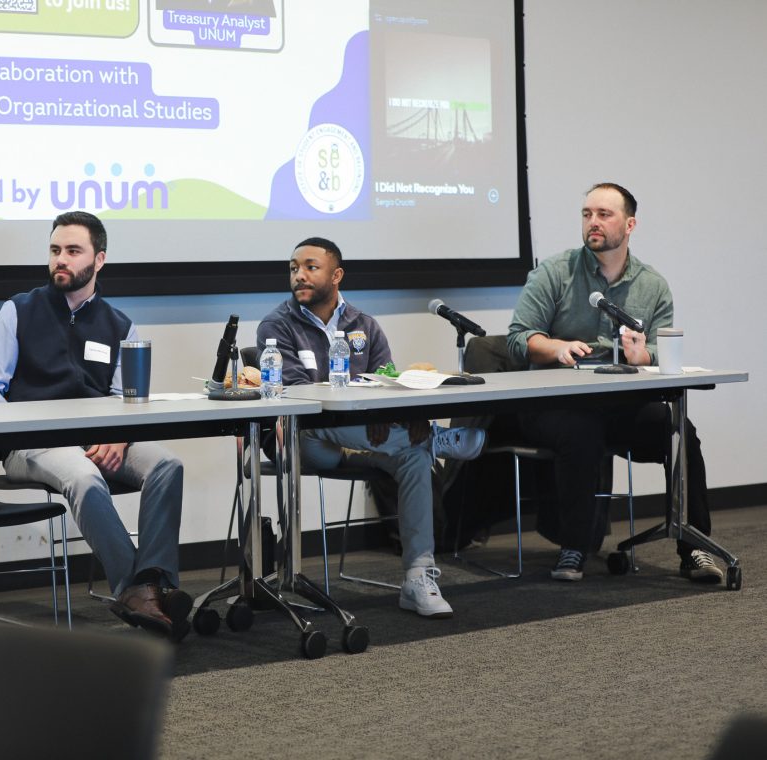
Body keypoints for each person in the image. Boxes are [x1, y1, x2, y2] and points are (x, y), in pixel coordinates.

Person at [0, 211, 190, 640]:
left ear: (99, 259)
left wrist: (118, 433)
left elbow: (126, 399)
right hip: (31, 446)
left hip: (98, 439)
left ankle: (149, 584)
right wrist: (25, 431)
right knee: (84, 476)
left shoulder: (120, 325)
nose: (61, 260)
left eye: (73, 251)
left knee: (168, 465)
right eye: (55, 250)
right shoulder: (17, 311)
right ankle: (140, 591)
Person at [256, 237, 486, 618]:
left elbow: (387, 381)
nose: (299, 275)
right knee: (317, 419)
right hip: (303, 442)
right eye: (294, 268)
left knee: (412, 457)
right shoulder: (276, 326)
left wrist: (396, 413)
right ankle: (436, 439)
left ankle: (417, 577)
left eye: (311, 267)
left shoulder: (365, 325)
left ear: (337, 274)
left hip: (367, 440)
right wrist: (369, 416)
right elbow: (300, 395)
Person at [507, 182, 723, 583]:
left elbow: (661, 351)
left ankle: (695, 548)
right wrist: (555, 348)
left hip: (620, 403)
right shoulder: (554, 273)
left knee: (679, 431)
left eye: (604, 215)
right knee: (581, 430)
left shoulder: (652, 285)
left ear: (630, 224)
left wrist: (645, 357)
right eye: (587, 214)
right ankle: (574, 546)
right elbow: (519, 337)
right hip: (556, 402)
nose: (593, 222)